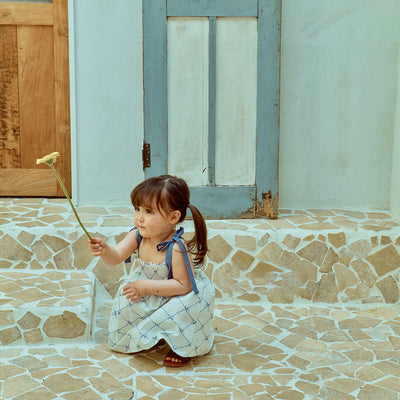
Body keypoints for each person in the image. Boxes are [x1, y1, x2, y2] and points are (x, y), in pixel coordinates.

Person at [88, 175, 215, 367]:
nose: (140, 217)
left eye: (148, 211)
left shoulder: (176, 248)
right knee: (126, 303)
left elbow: (183, 286)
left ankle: (181, 348)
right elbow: (116, 257)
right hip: (148, 289)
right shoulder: (137, 235)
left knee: (181, 310)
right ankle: (152, 334)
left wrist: (145, 286)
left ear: (173, 217)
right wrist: (105, 251)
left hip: (175, 293)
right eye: (137, 209)